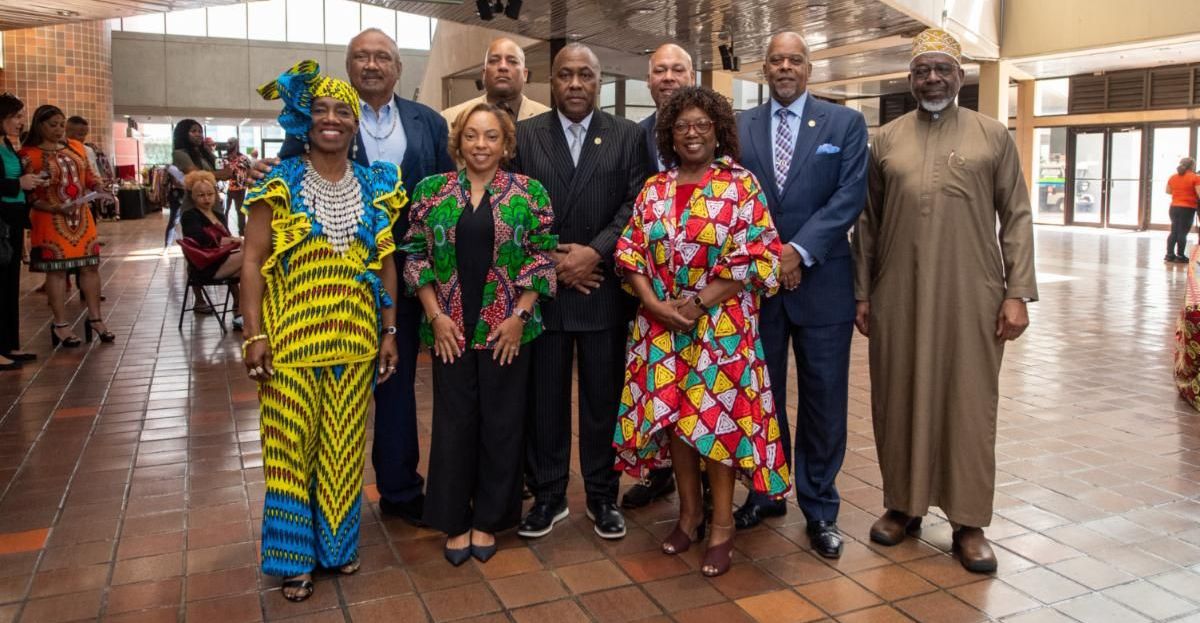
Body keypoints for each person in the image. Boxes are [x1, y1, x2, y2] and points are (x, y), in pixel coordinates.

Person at [852, 28, 1038, 573]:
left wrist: (1017, 292)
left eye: (942, 69)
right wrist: (862, 293)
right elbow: (867, 223)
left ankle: (968, 522)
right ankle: (902, 506)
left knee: (968, 403)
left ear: (960, 75)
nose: (931, 78)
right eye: (921, 70)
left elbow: (1017, 216)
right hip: (898, 294)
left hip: (971, 294)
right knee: (897, 396)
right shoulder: (886, 140)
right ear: (910, 79)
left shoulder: (991, 135)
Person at [252, 28, 455, 526]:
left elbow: (447, 195)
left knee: (396, 386)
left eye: (382, 57)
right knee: (326, 398)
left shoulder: (428, 122)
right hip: (329, 283)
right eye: (361, 56)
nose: (371, 64)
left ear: (398, 68)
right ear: (348, 66)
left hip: (410, 278)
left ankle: (400, 489)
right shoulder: (321, 117)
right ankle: (316, 507)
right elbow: (291, 183)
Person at [240, 60, 404, 602]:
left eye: (343, 112)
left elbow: (386, 265)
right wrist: (253, 334)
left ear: (356, 124)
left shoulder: (376, 185)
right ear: (304, 121)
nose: (332, 119)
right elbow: (251, 263)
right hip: (289, 345)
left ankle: (336, 547)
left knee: (343, 448)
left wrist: (389, 330)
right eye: (321, 110)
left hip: (355, 344)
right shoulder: (279, 183)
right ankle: (294, 559)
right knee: (288, 451)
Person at [612, 86, 788, 577]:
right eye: (682, 126)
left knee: (717, 424)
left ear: (718, 132)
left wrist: (697, 302)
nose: (692, 133)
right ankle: (688, 517)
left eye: (702, 125)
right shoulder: (655, 187)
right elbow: (629, 251)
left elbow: (759, 255)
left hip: (722, 328)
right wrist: (653, 304)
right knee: (677, 423)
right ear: (669, 135)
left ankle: (722, 526)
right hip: (662, 326)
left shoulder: (741, 185)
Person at [730, 32, 869, 561]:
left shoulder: (845, 123)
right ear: (763, 69)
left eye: (794, 60)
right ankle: (766, 492)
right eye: (776, 60)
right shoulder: (739, 126)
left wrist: (798, 252)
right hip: (757, 288)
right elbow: (733, 197)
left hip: (823, 283)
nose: (785, 67)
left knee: (824, 399)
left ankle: (820, 506)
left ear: (809, 68)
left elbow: (849, 196)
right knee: (761, 395)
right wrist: (773, 256)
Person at [403, 102, 557, 565]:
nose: (481, 145)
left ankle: (490, 518)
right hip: (449, 327)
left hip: (507, 329)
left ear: (506, 144)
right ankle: (454, 520)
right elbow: (415, 255)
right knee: (454, 423)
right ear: (458, 141)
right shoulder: (431, 191)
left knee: (503, 422)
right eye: (471, 135)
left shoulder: (529, 192)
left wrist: (519, 317)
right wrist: (435, 316)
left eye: (491, 136)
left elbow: (541, 257)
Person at [510, 43, 652, 540]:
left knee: (602, 401)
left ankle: (601, 495)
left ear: (599, 80)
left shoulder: (627, 135)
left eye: (585, 75)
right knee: (545, 401)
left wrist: (594, 253)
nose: (575, 83)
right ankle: (549, 495)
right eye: (565, 74)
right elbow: (514, 206)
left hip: (602, 288)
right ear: (550, 81)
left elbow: (635, 203)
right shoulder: (527, 135)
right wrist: (554, 260)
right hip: (544, 292)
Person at [621, 43, 696, 510]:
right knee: (661, 387)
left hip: (709, 298)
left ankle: (709, 488)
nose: (668, 77)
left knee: (705, 393)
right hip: (651, 292)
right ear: (649, 80)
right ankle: (662, 473)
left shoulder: (718, 132)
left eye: (677, 69)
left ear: (692, 75)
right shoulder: (634, 136)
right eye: (660, 70)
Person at [20, 104, 115, 347]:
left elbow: (89, 176)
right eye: (53, 125)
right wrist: (54, 207)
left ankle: (96, 319)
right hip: (50, 218)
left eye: (62, 125)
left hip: (81, 216)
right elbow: (30, 196)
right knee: (57, 270)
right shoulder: (29, 154)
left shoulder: (75, 147)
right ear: (39, 125)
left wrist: (98, 187)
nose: (59, 129)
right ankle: (61, 324)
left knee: (90, 266)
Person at [0, 93, 43, 369]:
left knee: (9, 284)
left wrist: (30, 182)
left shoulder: (6, 143)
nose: (21, 122)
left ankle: (8, 344)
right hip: (2, 219)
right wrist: (18, 184)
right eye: (16, 116)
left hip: (13, 218)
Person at [440, 38, 550, 130]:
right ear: (484, 74)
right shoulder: (451, 119)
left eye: (512, 61)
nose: (503, 66)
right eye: (494, 61)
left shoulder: (548, 119)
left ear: (525, 74)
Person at [179, 170, 243, 283]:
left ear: (215, 194)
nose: (206, 198)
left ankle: (241, 295)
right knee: (254, 255)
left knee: (255, 268)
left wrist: (237, 241)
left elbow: (228, 239)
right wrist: (232, 240)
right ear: (193, 196)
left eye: (210, 194)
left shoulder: (219, 215)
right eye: (201, 195)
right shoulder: (190, 216)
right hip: (206, 267)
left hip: (223, 260)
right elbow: (199, 240)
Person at [1165, 157, 1200, 263]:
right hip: (1187, 208)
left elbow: (1168, 191)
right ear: (1192, 166)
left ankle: (1169, 255)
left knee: (1174, 231)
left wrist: (1180, 192)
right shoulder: (1195, 178)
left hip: (1174, 207)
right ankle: (1180, 256)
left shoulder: (1173, 177)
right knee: (1182, 232)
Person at [224, 137, 253, 234]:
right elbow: (218, 171)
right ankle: (225, 231)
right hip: (225, 188)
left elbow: (250, 171)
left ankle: (242, 231)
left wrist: (248, 183)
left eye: (230, 143)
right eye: (227, 143)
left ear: (236, 144)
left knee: (240, 211)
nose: (228, 145)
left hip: (240, 189)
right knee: (225, 211)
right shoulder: (223, 158)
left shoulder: (244, 158)